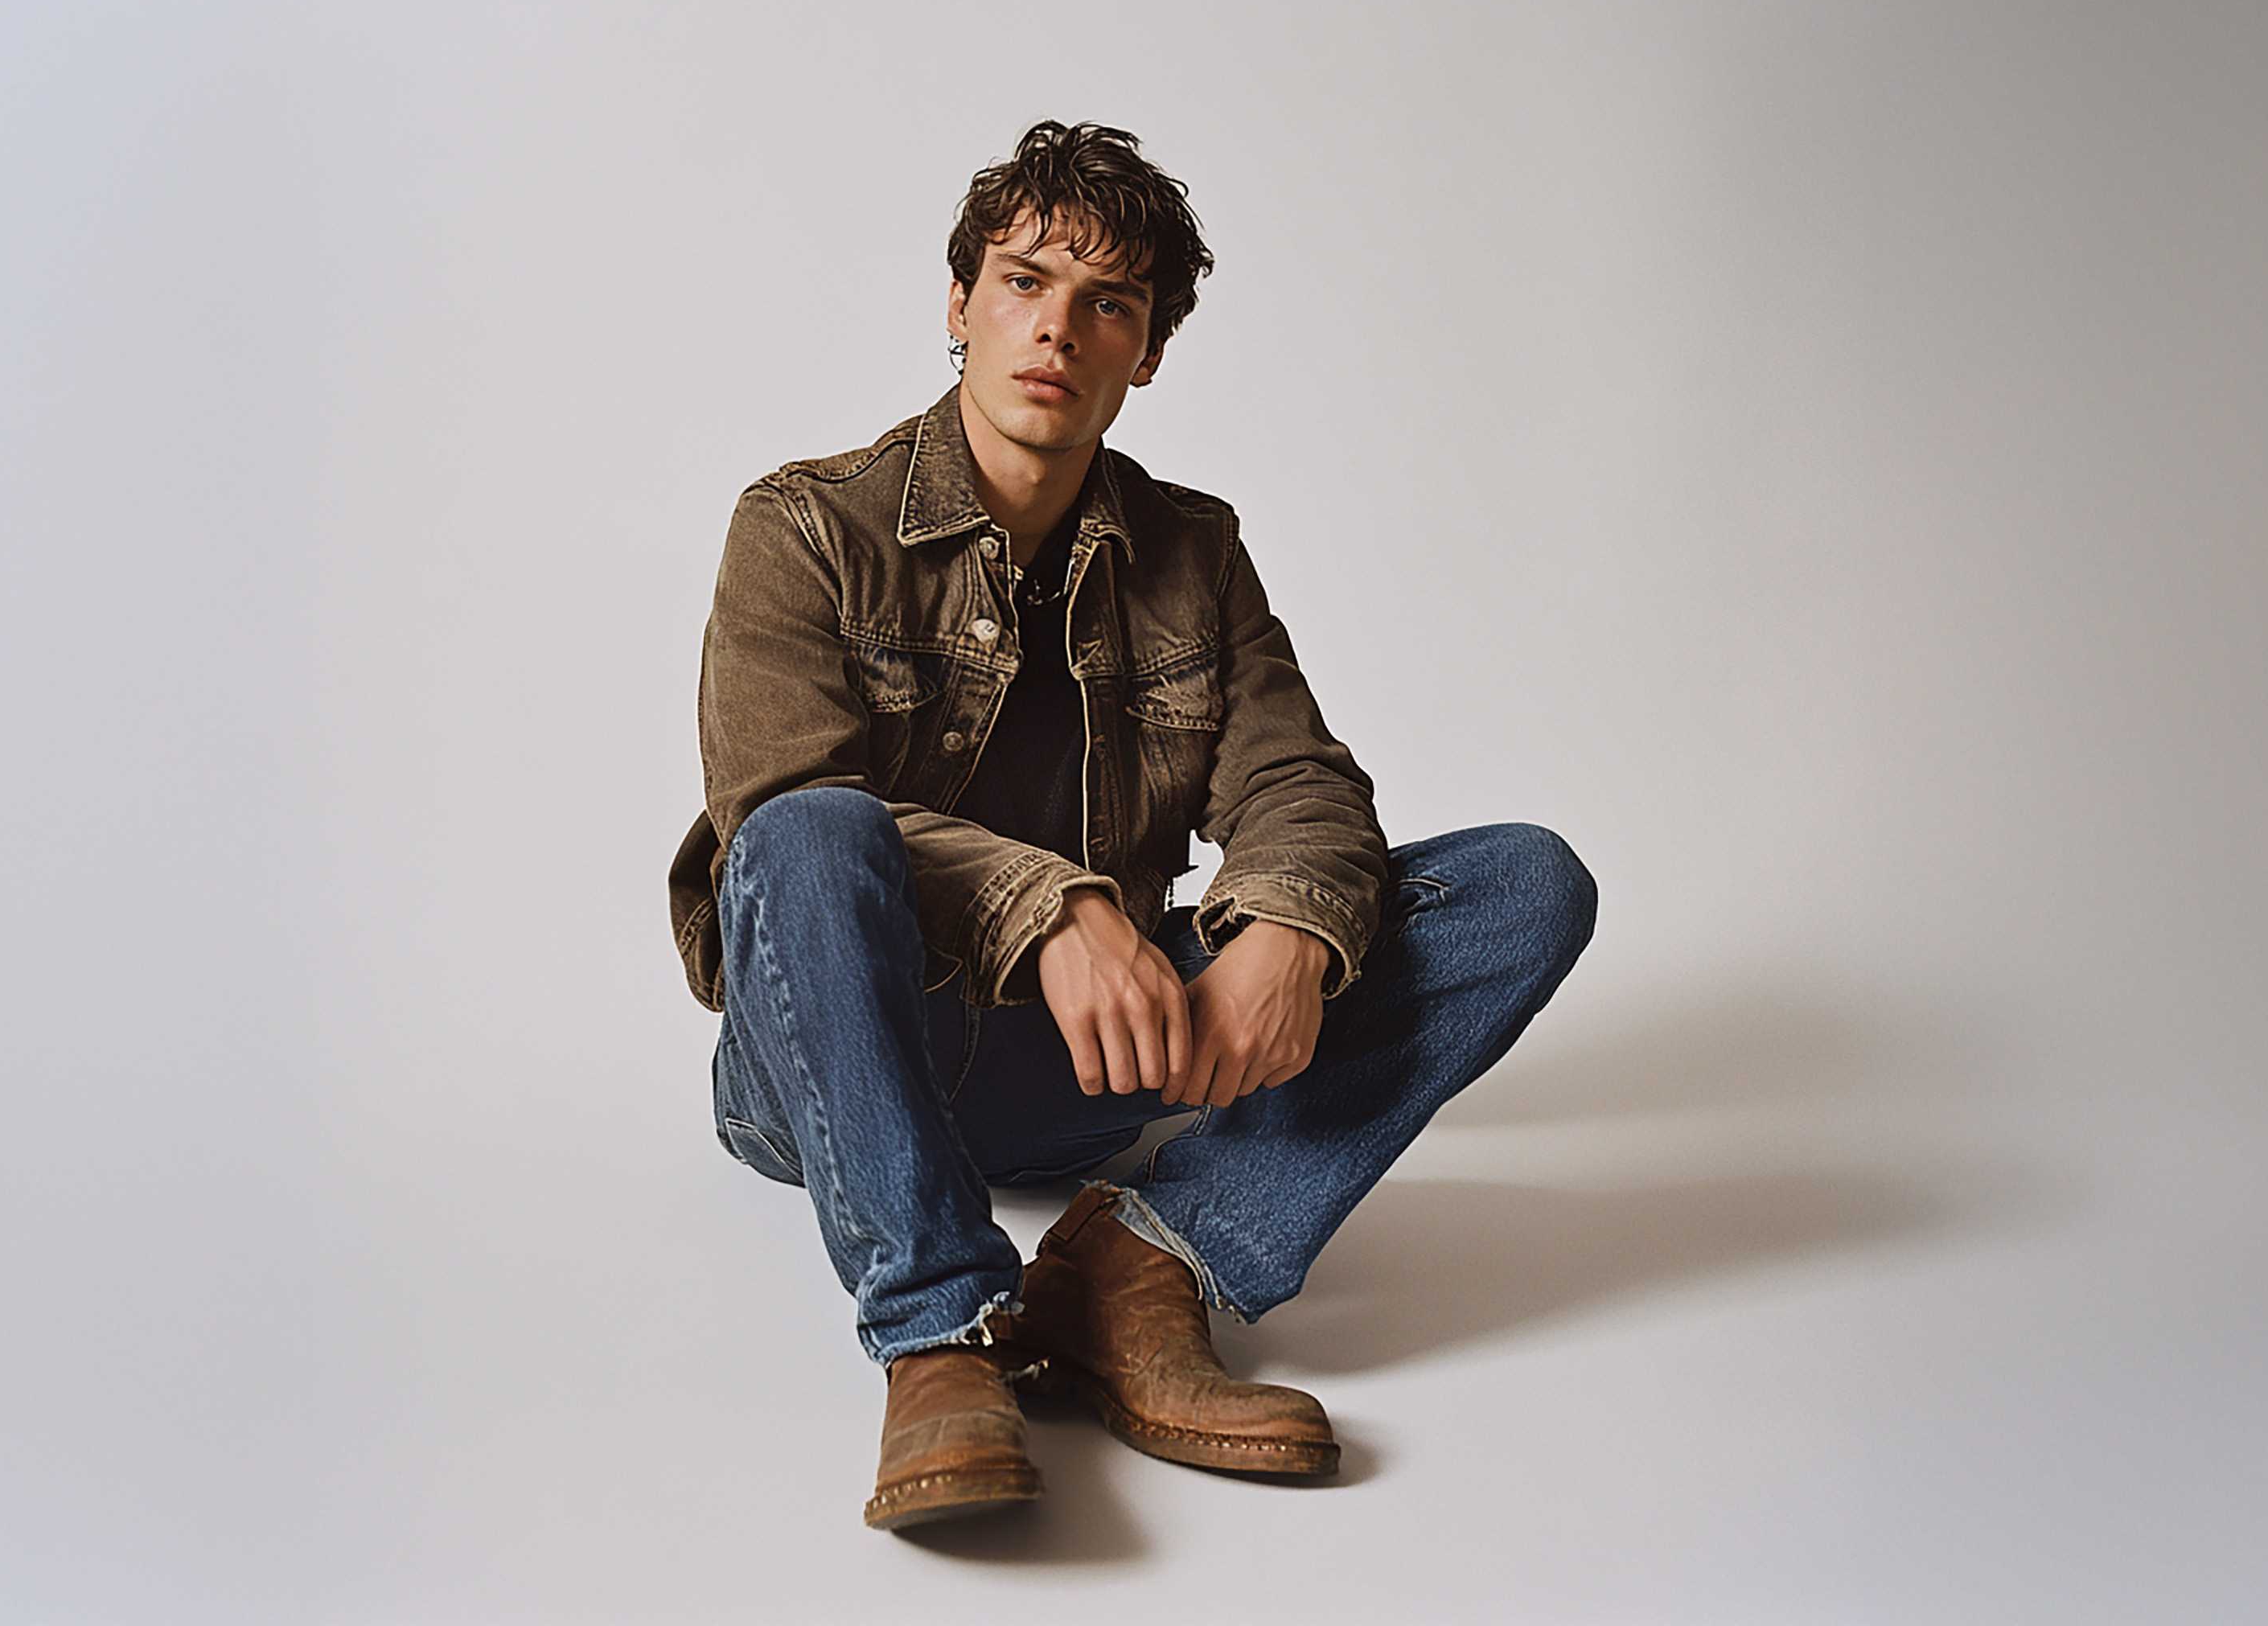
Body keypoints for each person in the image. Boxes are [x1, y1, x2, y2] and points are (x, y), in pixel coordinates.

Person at [664, 119, 1596, 1530]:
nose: (1058, 329)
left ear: (1146, 351)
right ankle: (942, 1333)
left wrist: (1286, 928)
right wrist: (1052, 909)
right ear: (961, 304)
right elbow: (776, 804)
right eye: (1024, 282)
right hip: (823, 1064)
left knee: (1522, 884)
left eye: (1109, 304)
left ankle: (1142, 1264)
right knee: (803, 835)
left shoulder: (1192, 550)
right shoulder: (804, 527)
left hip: (1083, 1072)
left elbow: (1297, 781)